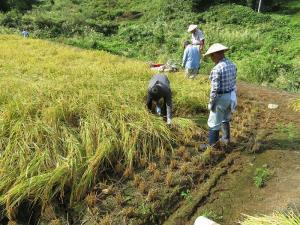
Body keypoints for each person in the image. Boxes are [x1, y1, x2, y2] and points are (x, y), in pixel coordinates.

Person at [202, 43, 237, 147]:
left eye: (212, 56)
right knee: (225, 118)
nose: (211, 58)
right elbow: (234, 81)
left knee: (213, 122)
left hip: (220, 98)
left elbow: (214, 89)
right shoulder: (232, 64)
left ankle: (212, 146)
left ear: (216, 54)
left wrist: (211, 102)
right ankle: (226, 139)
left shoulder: (217, 69)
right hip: (230, 96)